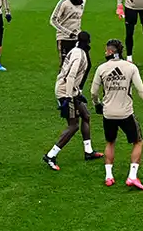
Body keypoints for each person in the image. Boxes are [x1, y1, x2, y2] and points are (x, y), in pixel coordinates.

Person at [91, 39, 143, 190]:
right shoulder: (130, 67)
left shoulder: (101, 68)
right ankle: (132, 176)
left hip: (108, 113)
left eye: (106, 50)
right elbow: (141, 90)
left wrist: (97, 105)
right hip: (126, 113)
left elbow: (93, 92)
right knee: (138, 141)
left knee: (110, 142)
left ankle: (109, 176)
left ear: (110, 52)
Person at [43, 31, 104, 171]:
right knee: (73, 125)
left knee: (86, 115)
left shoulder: (75, 50)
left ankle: (88, 151)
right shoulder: (79, 55)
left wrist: (78, 93)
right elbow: (71, 76)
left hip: (71, 90)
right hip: (66, 91)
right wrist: (69, 97)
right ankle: (50, 155)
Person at [50, 0, 85, 67]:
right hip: (64, 38)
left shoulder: (83, 1)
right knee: (64, 65)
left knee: (75, 64)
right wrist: (68, 33)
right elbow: (53, 20)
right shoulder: (64, 2)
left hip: (76, 37)